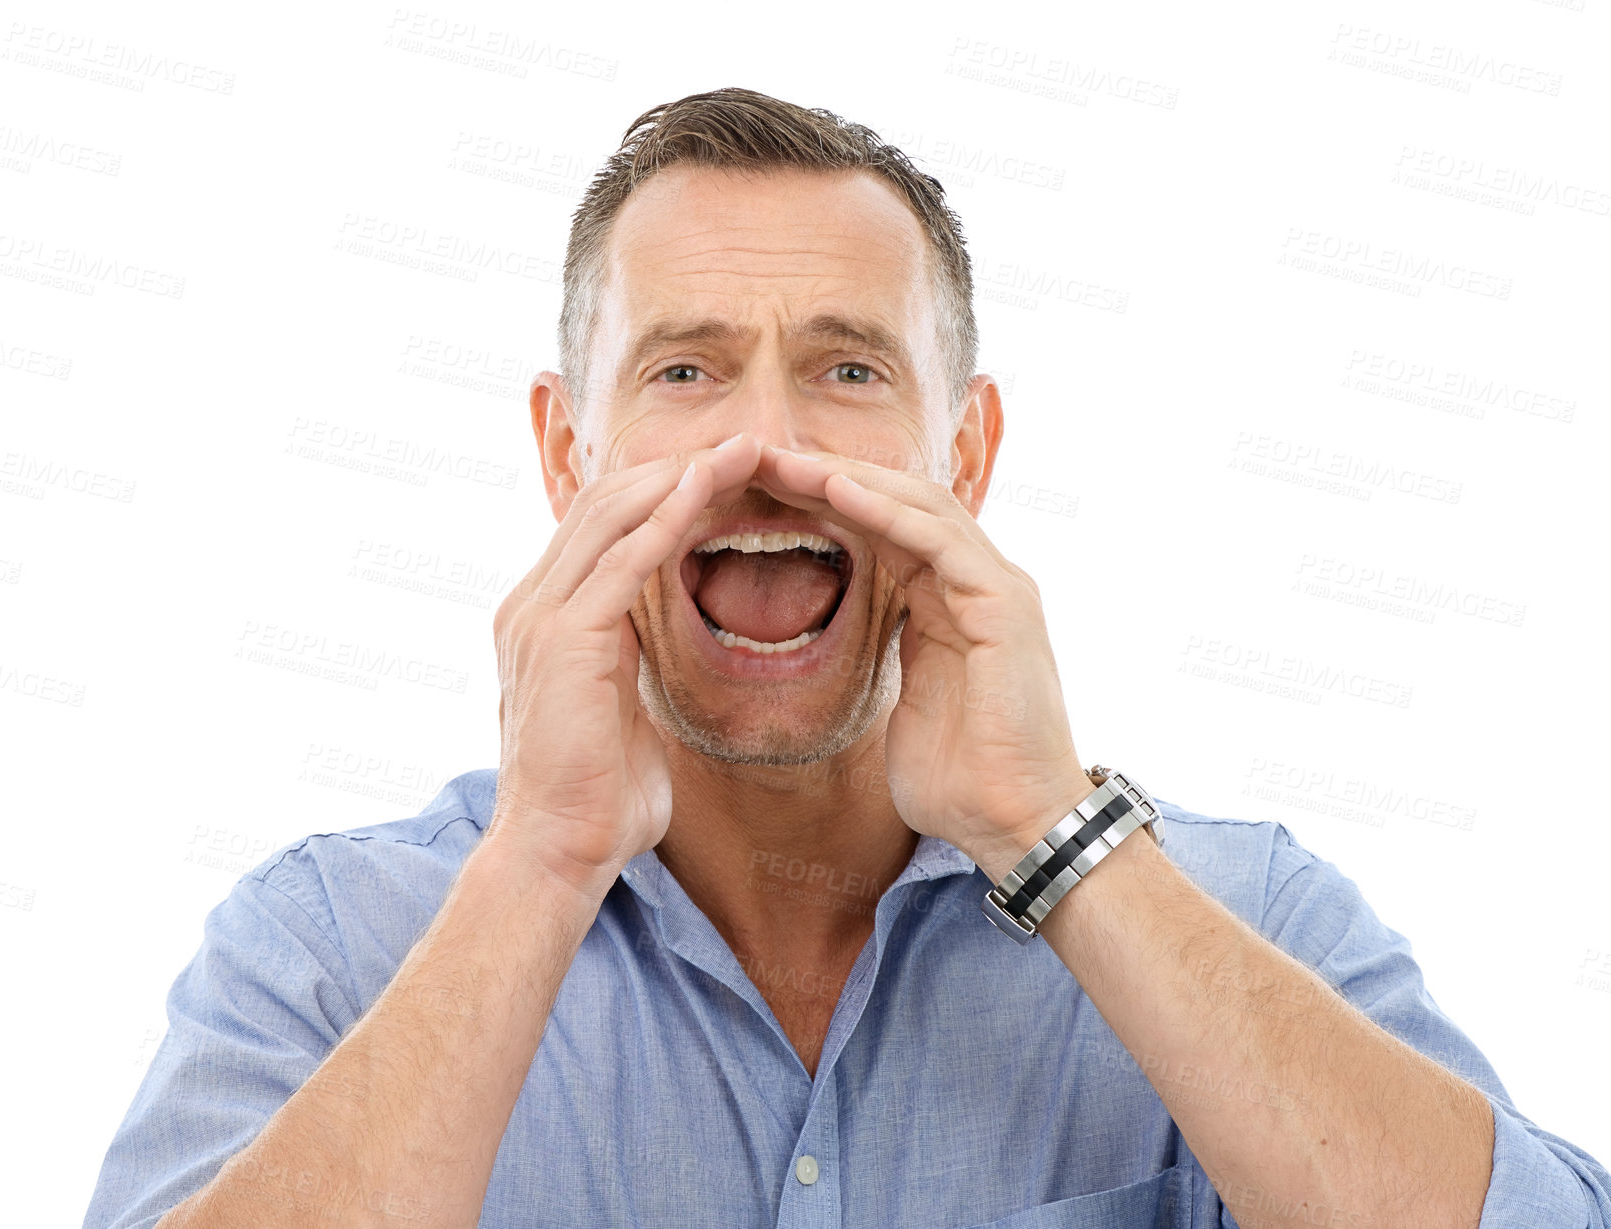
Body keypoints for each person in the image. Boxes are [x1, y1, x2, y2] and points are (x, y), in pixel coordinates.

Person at [84, 86, 1609, 1229]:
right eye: (685, 369)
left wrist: (1049, 835)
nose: (767, 445)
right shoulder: (327, 949)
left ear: (966, 449)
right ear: (568, 451)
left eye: (847, 369)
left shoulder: (1239, 916)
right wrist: (542, 861)